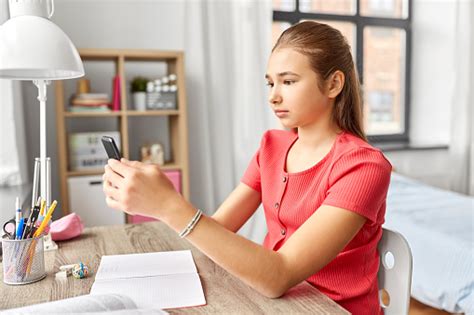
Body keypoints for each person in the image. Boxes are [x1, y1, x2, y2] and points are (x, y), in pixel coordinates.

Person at [103, 21, 392, 314]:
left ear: (333, 84)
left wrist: (169, 205)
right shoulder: (272, 146)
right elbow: (218, 231)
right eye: (270, 83)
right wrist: (153, 200)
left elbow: (279, 275)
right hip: (273, 304)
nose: (273, 96)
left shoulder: (364, 166)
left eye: (288, 81)